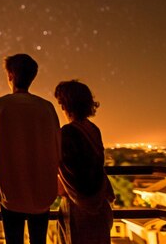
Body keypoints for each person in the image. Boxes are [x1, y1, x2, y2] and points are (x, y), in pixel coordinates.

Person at [0, 54, 61, 244]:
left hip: (11, 192)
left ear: (11, 75)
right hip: (42, 191)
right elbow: (57, 146)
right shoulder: (47, 108)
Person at [54, 80, 115, 244]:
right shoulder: (93, 129)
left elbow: (64, 168)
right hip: (100, 205)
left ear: (66, 105)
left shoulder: (66, 133)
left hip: (78, 209)